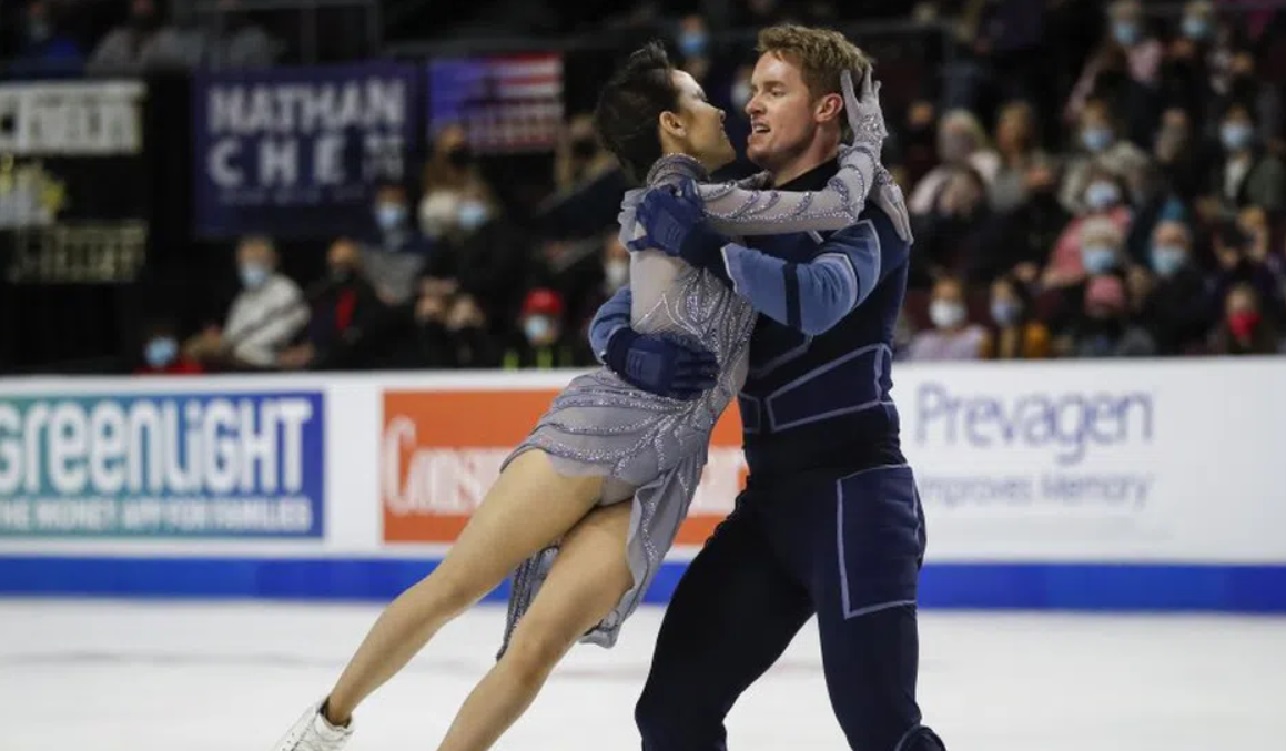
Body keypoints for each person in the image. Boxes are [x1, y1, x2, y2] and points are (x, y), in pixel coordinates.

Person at [271, 40, 893, 751]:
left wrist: (623, 335)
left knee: (533, 651)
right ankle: (326, 724)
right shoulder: (687, 197)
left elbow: (624, 305)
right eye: (700, 98)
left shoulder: (723, 206)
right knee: (454, 585)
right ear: (672, 125)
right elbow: (843, 201)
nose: (723, 107)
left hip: (664, 471)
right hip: (600, 429)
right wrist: (868, 141)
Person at [590, 24, 945, 751]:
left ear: (826, 110)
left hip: (858, 500)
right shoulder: (735, 203)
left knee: (884, 730)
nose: (751, 104)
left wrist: (708, 249)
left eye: (774, 90)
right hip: (771, 509)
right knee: (670, 715)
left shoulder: (870, 209)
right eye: (752, 88)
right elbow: (613, 311)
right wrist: (626, 346)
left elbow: (815, 297)